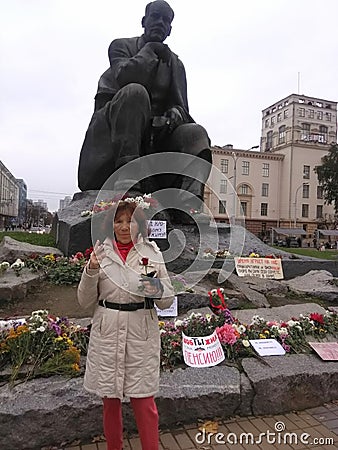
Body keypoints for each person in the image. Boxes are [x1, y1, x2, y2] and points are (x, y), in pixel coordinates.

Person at [78, 0, 211, 213]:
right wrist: (149, 50)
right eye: (155, 17)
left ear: (169, 29)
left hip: (156, 141)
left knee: (196, 133)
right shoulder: (121, 46)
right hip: (115, 136)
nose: (160, 23)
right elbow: (125, 77)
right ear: (144, 21)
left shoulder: (175, 64)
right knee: (135, 92)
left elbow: (183, 109)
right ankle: (128, 179)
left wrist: (173, 116)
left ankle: (188, 203)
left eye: (165, 20)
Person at [77, 199, 174, 450]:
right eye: (118, 221)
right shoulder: (100, 254)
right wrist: (90, 270)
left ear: (139, 225)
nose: (123, 227)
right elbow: (84, 301)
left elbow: (167, 301)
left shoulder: (152, 253)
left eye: (129, 221)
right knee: (110, 402)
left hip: (141, 332)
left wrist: (155, 288)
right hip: (107, 332)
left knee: (144, 404)